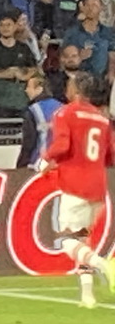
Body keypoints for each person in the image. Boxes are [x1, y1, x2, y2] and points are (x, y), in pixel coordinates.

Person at [38, 72, 115, 309]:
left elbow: (62, 144)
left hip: (74, 187)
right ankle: (88, 297)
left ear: (77, 90)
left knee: (67, 242)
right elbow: (111, 156)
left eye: (70, 85)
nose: (66, 89)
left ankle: (106, 266)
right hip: (97, 188)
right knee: (83, 241)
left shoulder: (65, 112)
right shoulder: (102, 119)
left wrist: (45, 159)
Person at [16, 71, 61, 169]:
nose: (26, 90)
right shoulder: (62, 108)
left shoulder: (33, 111)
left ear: (39, 89)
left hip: (38, 163)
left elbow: (29, 142)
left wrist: (21, 165)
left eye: (29, 87)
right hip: (58, 163)